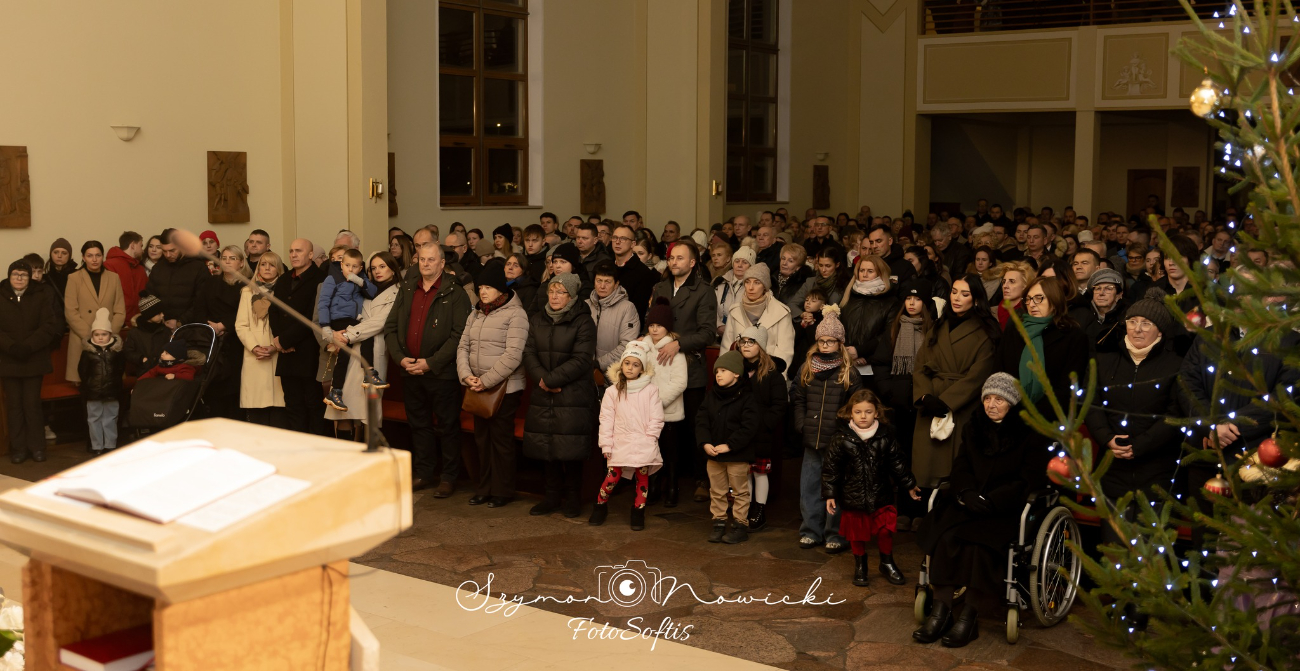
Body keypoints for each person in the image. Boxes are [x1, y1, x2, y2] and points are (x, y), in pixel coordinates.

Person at [914, 373, 1049, 647]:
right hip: (969, 501)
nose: (991, 405)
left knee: (979, 546)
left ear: (1011, 402)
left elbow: (1029, 478)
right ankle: (941, 611)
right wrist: (965, 492)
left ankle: (969, 617)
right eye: (987, 398)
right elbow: (961, 465)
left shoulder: (1029, 432)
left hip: (1003, 508)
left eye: (999, 399)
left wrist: (995, 500)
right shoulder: (974, 426)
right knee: (945, 538)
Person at [1085, 291, 1186, 547]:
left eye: (1146, 323)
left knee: (1153, 554)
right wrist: (1108, 439)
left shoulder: (1176, 365)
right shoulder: (1104, 361)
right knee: (1114, 550)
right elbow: (1090, 405)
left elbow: (1175, 414)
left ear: (1160, 331)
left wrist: (1139, 445)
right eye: (1132, 321)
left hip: (1158, 472)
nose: (1137, 329)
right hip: (1112, 470)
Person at [384, 243, 472, 495]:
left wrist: (431, 362)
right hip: (409, 369)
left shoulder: (455, 293)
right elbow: (391, 327)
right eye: (422, 259)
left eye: (431, 259)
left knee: (447, 426)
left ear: (442, 263)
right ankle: (424, 473)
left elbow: (459, 335)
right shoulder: (407, 289)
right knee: (419, 425)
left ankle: (449, 477)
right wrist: (400, 359)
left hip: (441, 373)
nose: (425, 264)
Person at [823, 389, 920, 587]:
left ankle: (887, 562)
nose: (863, 416)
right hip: (853, 496)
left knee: (885, 531)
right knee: (857, 534)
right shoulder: (841, 438)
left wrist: (909, 484)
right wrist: (830, 494)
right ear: (850, 413)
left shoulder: (885, 436)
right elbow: (831, 468)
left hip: (880, 494)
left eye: (868, 412)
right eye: (858, 412)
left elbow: (897, 462)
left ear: (876, 413)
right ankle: (860, 565)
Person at [911, 275, 1000, 492]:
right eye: (954, 292)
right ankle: (922, 504)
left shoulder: (986, 330)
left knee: (952, 468)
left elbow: (979, 375)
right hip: (930, 401)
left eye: (964, 294)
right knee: (924, 466)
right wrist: (925, 396)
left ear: (976, 299)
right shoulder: (939, 325)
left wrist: (946, 402)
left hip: (960, 406)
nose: (956, 298)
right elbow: (920, 365)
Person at [523, 272, 598, 517]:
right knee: (547, 445)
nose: (554, 296)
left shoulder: (583, 321)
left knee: (570, 447)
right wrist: (542, 379)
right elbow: (529, 352)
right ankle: (551, 496)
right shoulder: (538, 319)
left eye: (560, 292)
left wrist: (551, 380)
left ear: (572, 295)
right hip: (544, 391)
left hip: (572, 394)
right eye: (552, 291)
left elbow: (582, 358)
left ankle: (573, 498)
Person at [650, 242, 718, 505]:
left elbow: (707, 332)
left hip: (690, 366)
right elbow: (651, 320)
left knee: (694, 426)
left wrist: (678, 343)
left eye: (680, 258)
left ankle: (701, 479)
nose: (674, 262)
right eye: (671, 258)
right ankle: (665, 478)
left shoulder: (703, 291)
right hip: (661, 367)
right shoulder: (660, 287)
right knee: (664, 426)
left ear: (692, 263)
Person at [457, 261, 529, 508]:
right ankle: (484, 488)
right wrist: (467, 376)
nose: (483, 292)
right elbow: (463, 346)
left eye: (488, 287)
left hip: (505, 389)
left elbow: (514, 355)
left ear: (501, 289)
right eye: (480, 287)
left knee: (500, 441)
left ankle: (502, 490)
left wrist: (486, 381)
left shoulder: (516, 314)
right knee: (482, 440)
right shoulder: (476, 312)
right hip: (477, 387)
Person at [791, 305, 862, 552]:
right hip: (812, 438)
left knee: (836, 489)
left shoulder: (849, 372)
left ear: (840, 343)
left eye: (831, 341)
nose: (825, 345)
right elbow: (798, 399)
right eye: (821, 341)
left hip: (837, 441)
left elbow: (856, 406)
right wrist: (801, 424)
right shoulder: (806, 368)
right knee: (810, 487)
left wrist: (845, 433)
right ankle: (811, 531)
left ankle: (836, 534)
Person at [869, 277, 936, 531]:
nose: (912, 303)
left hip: (923, 403)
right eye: (908, 298)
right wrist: (889, 391)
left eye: (917, 299)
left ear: (925, 303)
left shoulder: (933, 330)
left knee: (923, 457)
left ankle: (921, 510)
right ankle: (905, 510)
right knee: (901, 457)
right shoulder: (895, 329)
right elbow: (880, 363)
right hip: (898, 404)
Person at [325, 252, 401, 439]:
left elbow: (379, 322)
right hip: (350, 350)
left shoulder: (398, 292)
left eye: (382, 266)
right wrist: (334, 333)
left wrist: (347, 335)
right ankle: (346, 453)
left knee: (368, 412)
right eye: (373, 268)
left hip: (371, 352)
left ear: (393, 268)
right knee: (344, 409)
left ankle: (368, 453)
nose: (377, 271)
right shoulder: (364, 287)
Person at [589, 341, 664, 530]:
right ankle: (600, 505)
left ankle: (638, 512)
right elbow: (606, 419)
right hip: (619, 442)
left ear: (642, 368)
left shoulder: (651, 390)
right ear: (621, 365)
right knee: (612, 477)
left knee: (642, 479)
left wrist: (650, 438)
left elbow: (657, 417)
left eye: (636, 364)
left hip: (643, 442)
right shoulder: (612, 391)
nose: (630, 368)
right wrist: (606, 444)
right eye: (627, 363)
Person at [994, 276, 1091, 414]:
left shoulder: (1073, 336)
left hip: (1049, 417)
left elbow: (1067, 389)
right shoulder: (1015, 329)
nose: (1032, 304)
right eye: (1028, 299)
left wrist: (1029, 414)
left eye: (1039, 298)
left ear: (1055, 300)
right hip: (1008, 411)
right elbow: (998, 374)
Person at [1, 261, 63, 463]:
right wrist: (11, 347)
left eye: (24, 275)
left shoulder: (41, 294)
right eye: (15, 274)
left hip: (34, 358)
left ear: (29, 277)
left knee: (32, 404)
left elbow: (49, 325)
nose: (19, 278)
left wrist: (28, 346)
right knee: (14, 406)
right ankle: (18, 449)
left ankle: (37, 447)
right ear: (9, 276)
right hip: (8, 358)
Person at [697, 350, 760, 544]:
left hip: (737, 455)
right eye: (717, 371)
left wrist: (730, 445)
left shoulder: (747, 398)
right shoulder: (711, 395)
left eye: (723, 370)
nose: (718, 375)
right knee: (716, 490)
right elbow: (701, 420)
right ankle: (719, 522)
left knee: (739, 491)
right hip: (714, 453)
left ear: (736, 373)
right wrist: (705, 442)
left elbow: (749, 427)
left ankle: (740, 525)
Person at [271, 239, 328, 436]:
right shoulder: (284, 279)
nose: (293, 255)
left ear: (311, 255)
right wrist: (279, 339)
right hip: (286, 353)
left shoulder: (321, 279)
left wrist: (286, 340)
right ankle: (297, 445)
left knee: (313, 404)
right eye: (291, 251)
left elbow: (312, 317)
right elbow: (274, 311)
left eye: (298, 251)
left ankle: (316, 446)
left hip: (309, 351)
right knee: (292, 404)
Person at [736, 325, 788, 531]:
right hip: (740, 430)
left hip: (761, 432)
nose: (746, 345)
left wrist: (765, 424)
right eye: (743, 341)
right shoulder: (736, 368)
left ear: (761, 345)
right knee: (744, 471)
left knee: (759, 471)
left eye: (752, 342)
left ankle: (760, 510)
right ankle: (747, 507)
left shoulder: (772, 374)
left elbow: (780, 405)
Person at [639, 298, 688, 507]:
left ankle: (672, 487)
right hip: (646, 411)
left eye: (659, 325)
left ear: (667, 327)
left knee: (670, 453)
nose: (654, 329)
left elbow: (680, 382)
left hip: (668, 412)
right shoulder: (642, 347)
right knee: (651, 451)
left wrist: (657, 403)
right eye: (651, 325)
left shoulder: (674, 351)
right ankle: (654, 487)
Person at [318, 248, 379, 412]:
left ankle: (336, 391)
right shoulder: (333, 278)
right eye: (347, 265)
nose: (350, 269)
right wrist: (325, 326)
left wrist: (360, 281)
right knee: (364, 335)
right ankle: (368, 373)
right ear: (341, 265)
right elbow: (323, 303)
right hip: (338, 319)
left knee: (345, 355)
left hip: (352, 320)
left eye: (354, 266)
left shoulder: (361, 279)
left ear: (360, 268)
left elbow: (373, 293)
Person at [195, 245, 249, 420]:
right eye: (224, 258)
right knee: (215, 388)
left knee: (234, 389)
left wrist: (223, 325)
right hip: (212, 339)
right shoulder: (211, 283)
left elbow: (245, 313)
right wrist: (210, 326)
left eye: (232, 258)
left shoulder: (247, 286)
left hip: (236, 340)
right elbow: (199, 307)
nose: (227, 262)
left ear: (241, 263)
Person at [235, 252, 286, 428]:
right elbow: (241, 324)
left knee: (278, 409)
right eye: (263, 264)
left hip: (276, 351)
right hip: (255, 355)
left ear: (278, 268)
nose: (267, 268)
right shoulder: (248, 291)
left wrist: (274, 346)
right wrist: (255, 346)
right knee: (257, 411)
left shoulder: (283, 291)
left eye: (271, 265)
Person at [64, 241, 125, 384]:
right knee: (84, 383)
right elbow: (70, 312)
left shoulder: (113, 278)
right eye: (90, 256)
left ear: (103, 256)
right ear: (83, 257)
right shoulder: (74, 278)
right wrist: (91, 336)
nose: (94, 259)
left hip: (109, 341)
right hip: (82, 338)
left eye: (98, 255)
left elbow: (120, 310)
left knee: (110, 383)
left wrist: (107, 334)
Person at [719, 262, 795, 369]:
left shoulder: (781, 312)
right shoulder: (735, 311)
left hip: (769, 372)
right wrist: (726, 371)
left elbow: (785, 351)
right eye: (747, 282)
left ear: (765, 286)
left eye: (757, 282)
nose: (750, 287)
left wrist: (773, 374)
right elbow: (727, 347)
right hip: (739, 372)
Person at [840, 255, 902, 376]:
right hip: (845, 363)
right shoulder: (848, 297)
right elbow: (838, 328)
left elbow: (889, 335)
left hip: (873, 367)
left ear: (880, 273)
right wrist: (847, 352)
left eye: (870, 271)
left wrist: (860, 352)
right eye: (861, 270)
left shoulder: (891, 302)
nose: (864, 274)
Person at [78, 308, 124, 455]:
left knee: (110, 417)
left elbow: (120, 369)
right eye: (97, 334)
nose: (100, 338)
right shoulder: (88, 353)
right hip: (93, 391)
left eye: (104, 334)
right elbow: (83, 371)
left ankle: (110, 444)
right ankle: (97, 445)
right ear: (92, 335)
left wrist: (115, 383)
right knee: (94, 418)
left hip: (112, 390)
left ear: (110, 334)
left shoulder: (116, 352)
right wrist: (89, 384)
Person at [144, 229, 209, 325]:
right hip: (162, 325)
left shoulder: (198, 267)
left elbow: (201, 301)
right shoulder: (158, 268)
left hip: (190, 326)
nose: (168, 255)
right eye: (164, 251)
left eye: (172, 250)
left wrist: (181, 322)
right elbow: (150, 296)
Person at [587, 262, 640, 374]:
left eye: (607, 282)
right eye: (599, 281)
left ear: (616, 284)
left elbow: (627, 344)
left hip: (614, 373)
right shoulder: (585, 305)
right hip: (584, 371)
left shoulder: (627, 308)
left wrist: (599, 364)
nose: (602, 286)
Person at [1068, 267, 1126, 354]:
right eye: (1098, 288)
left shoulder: (1126, 318)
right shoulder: (1079, 315)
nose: (1101, 293)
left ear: (1119, 295)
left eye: (1108, 288)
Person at [104, 231, 148, 324]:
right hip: (116, 322)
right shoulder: (109, 265)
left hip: (138, 322)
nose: (142, 250)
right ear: (133, 245)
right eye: (141, 246)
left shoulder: (140, 269)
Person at [123, 294, 168, 376]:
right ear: (149, 315)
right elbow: (128, 352)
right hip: (144, 373)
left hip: (164, 372)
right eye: (159, 313)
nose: (163, 315)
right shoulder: (134, 333)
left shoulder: (165, 330)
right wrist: (141, 359)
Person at [993, 260, 1035, 330]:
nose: (1005, 286)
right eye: (1004, 282)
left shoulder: (1030, 310)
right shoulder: (1002, 305)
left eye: (1012, 281)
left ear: (1025, 286)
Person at [774, 243, 814, 313]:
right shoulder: (771, 278)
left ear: (798, 267)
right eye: (783, 258)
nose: (784, 263)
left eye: (790, 261)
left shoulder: (804, 283)